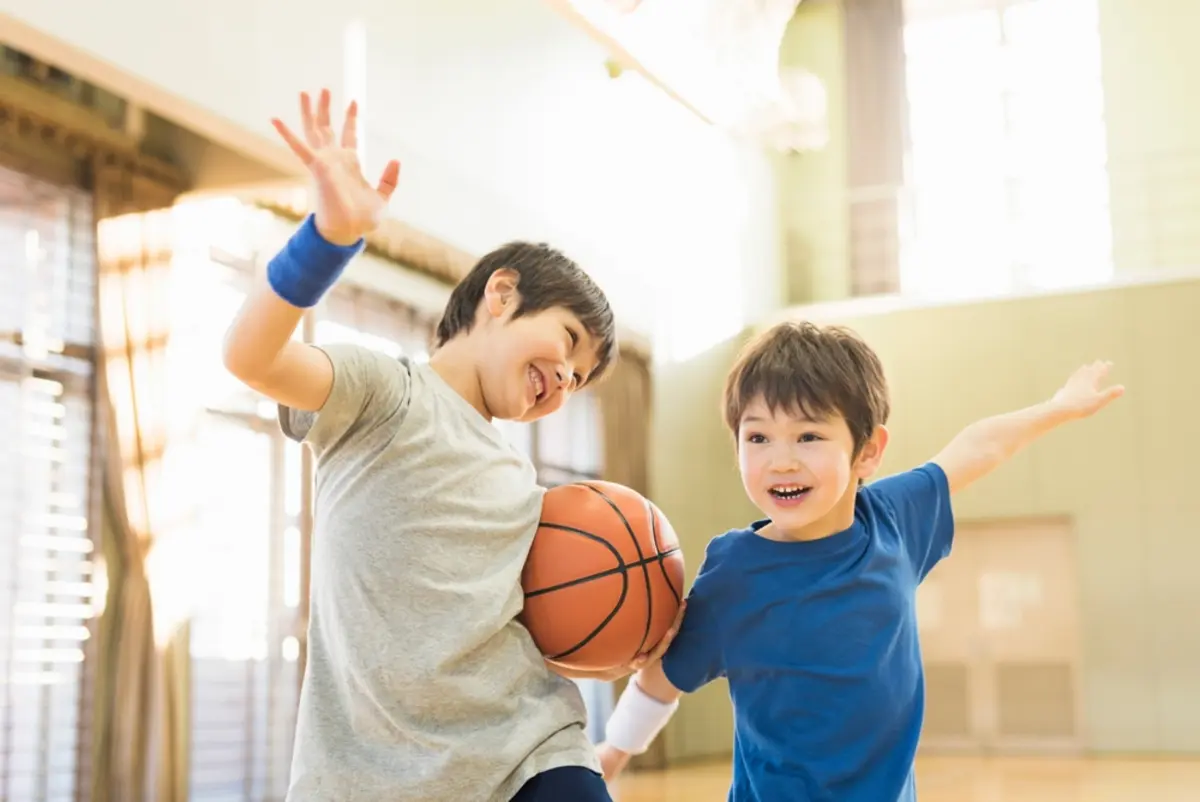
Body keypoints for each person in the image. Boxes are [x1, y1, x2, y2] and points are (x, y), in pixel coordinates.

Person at [222, 88, 678, 802]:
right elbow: (252, 357)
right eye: (565, 343)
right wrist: (327, 240)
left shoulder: (526, 486)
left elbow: (558, 608)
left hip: (525, 749)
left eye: (578, 381)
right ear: (501, 294)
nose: (562, 379)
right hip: (367, 772)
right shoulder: (385, 392)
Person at [596, 321, 1124, 801]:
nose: (781, 459)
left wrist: (1058, 408)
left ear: (868, 451)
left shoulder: (892, 518)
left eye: (809, 436)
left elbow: (978, 447)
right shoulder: (734, 574)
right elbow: (661, 679)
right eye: (757, 437)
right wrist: (614, 753)